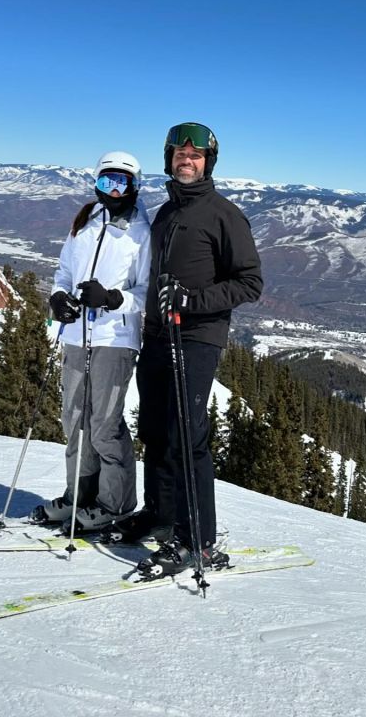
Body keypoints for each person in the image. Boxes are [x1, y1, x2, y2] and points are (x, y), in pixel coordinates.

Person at [106, 122, 263, 578]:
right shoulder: (166, 213)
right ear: (169, 160)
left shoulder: (224, 215)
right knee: (154, 428)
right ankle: (160, 514)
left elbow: (250, 282)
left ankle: (198, 541)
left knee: (186, 436)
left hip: (196, 339)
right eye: (179, 155)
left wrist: (194, 301)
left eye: (195, 156)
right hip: (157, 334)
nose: (186, 161)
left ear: (208, 162)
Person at [30, 151, 151, 532]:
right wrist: (58, 296)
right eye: (105, 182)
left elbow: (147, 290)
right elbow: (63, 271)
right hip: (77, 334)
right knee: (74, 419)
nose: (113, 190)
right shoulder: (85, 221)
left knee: (104, 424)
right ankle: (78, 496)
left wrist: (114, 299)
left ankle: (114, 503)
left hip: (115, 339)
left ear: (135, 185)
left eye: (122, 182)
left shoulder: (142, 233)